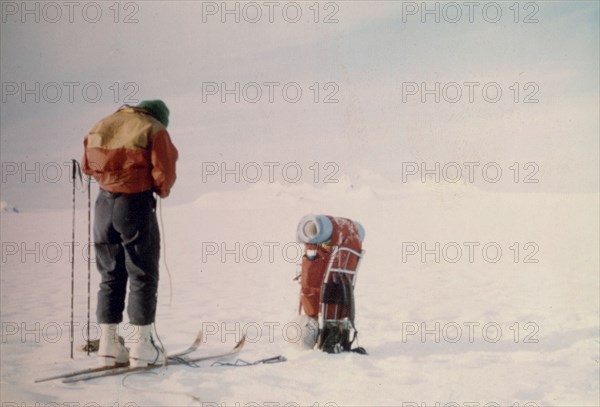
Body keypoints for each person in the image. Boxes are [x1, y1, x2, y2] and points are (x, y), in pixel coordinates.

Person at [82, 100, 178, 367]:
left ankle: (108, 347)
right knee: (142, 272)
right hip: (134, 204)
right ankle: (141, 347)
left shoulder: (103, 122)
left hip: (103, 205)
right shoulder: (153, 127)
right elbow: (165, 172)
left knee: (110, 274)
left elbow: (87, 166)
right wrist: (160, 189)